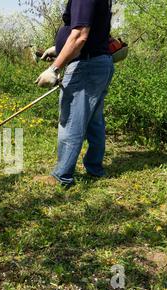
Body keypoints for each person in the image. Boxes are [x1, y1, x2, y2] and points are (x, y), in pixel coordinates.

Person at [35, 0, 115, 187]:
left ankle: (61, 176)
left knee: (71, 120)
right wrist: (58, 48)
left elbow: (80, 36)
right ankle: (94, 168)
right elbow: (93, 32)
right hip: (99, 63)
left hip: (86, 65)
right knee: (94, 119)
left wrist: (53, 69)